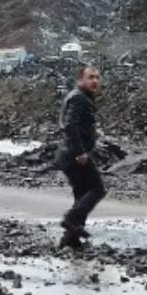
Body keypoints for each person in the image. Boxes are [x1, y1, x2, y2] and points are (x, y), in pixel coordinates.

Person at [55, 64, 106, 248]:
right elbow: (70, 125)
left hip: (68, 154)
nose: (95, 81)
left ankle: (71, 239)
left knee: (82, 193)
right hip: (74, 154)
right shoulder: (79, 99)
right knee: (98, 189)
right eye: (90, 77)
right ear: (80, 80)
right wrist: (80, 152)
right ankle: (71, 219)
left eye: (97, 77)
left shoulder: (80, 96)